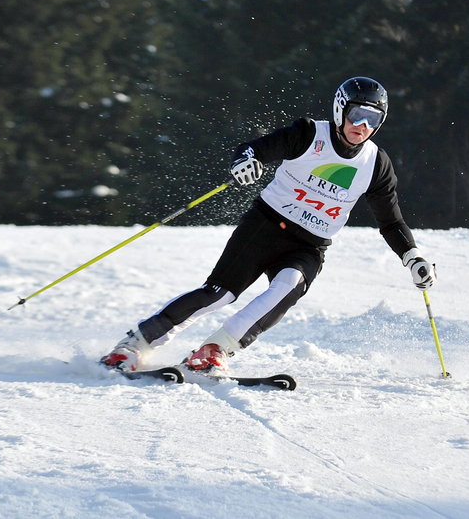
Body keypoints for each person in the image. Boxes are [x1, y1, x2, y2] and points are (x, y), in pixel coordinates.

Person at [101, 76, 436, 374]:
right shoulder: (308, 134)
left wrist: (413, 257)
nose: (361, 125)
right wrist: (246, 161)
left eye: (372, 119)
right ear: (340, 110)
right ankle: (132, 346)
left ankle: (215, 350)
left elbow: (391, 221)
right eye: (356, 114)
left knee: (289, 284)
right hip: (265, 226)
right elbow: (254, 149)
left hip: (309, 246)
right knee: (220, 294)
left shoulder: (375, 164)